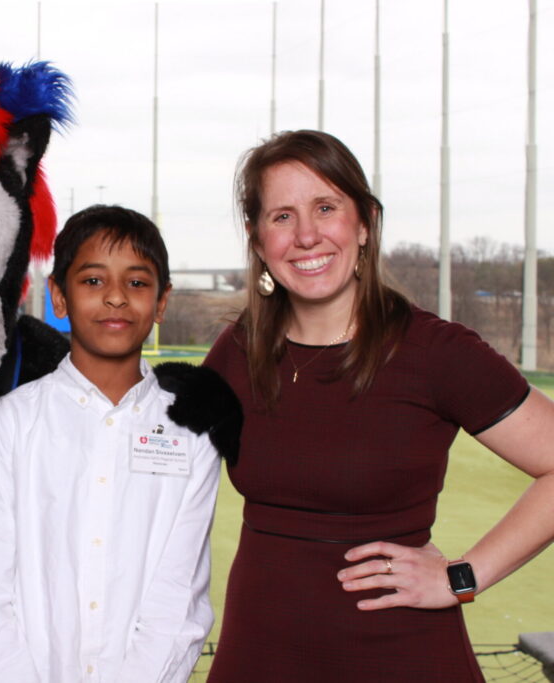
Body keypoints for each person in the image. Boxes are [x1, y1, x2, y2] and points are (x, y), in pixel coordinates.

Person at [204, 130, 554, 681]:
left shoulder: (436, 352)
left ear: (365, 222)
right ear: (257, 238)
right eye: (282, 216)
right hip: (259, 651)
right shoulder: (237, 350)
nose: (307, 235)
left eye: (326, 208)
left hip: (398, 656)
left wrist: (462, 577)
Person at [0, 205, 230, 682]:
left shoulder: (191, 434)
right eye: (93, 280)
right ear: (59, 297)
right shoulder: (8, 426)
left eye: (137, 282)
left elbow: (177, 602)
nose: (116, 297)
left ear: (162, 301)